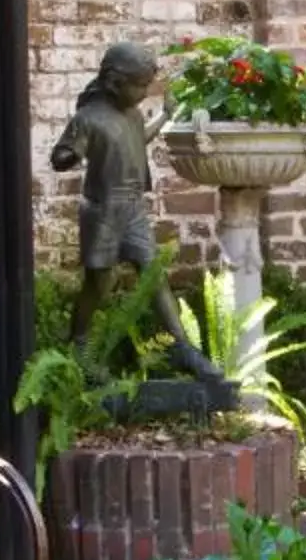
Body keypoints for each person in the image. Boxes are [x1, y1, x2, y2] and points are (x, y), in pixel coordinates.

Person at [50, 42, 223, 382]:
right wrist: (70, 155)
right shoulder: (88, 119)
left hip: (132, 208)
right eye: (141, 85)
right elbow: (60, 156)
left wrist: (166, 115)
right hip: (103, 210)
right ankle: (79, 343)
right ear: (115, 82)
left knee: (153, 275)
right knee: (99, 282)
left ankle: (182, 348)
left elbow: (136, 139)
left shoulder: (130, 115)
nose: (145, 93)